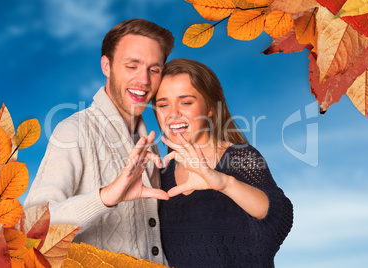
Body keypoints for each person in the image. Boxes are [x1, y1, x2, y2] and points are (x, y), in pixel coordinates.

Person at [24, 19, 174, 264]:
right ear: (107, 65)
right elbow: (33, 228)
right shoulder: (73, 132)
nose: (144, 80)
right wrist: (105, 197)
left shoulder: (149, 144)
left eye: (154, 69)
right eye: (132, 65)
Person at [153, 58, 294, 268]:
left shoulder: (239, 157)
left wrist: (224, 183)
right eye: (163, 104)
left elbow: (278, 215)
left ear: (210, 108)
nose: (173, 113)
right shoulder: (162, 177)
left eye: (186, 102)